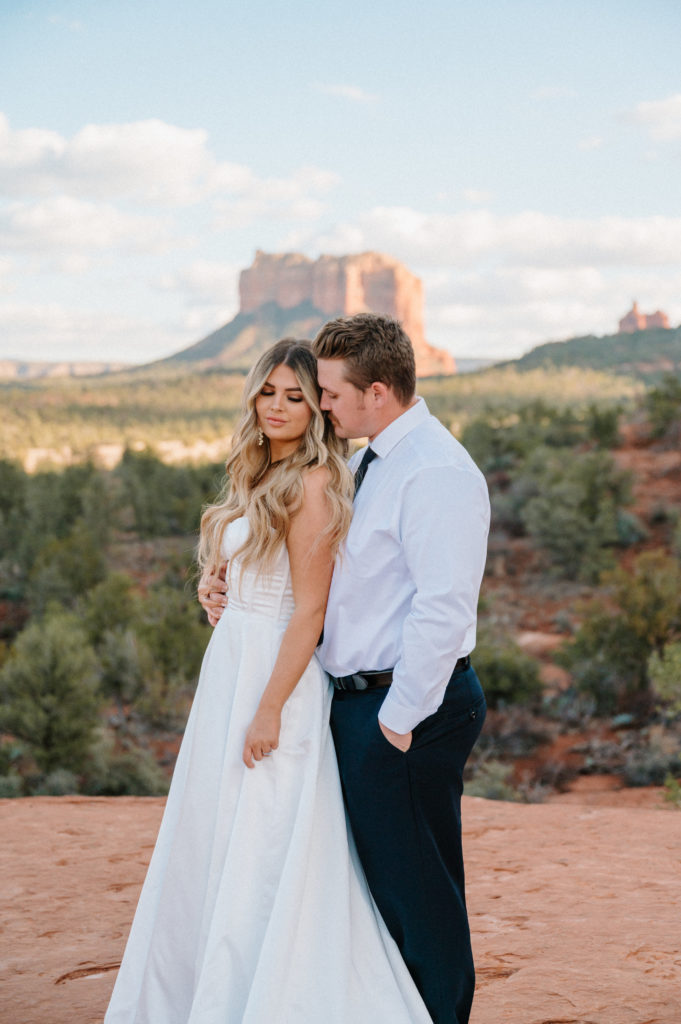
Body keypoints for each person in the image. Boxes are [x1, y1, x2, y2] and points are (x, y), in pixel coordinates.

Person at [104, 339, 432, 1024]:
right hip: (232, 666)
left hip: (274, 678)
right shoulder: (259, 473)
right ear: (252, 396)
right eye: (268, 392)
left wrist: (270, 709)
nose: (278, 407)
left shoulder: (313, 482)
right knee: (216, 828)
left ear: (317, 409)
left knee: (264, 838)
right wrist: (213, 583)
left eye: (296, 397)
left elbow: (307, 608)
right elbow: (251, 570)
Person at [312, 314, 490, 1024]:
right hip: (364, 704)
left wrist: (393, 723)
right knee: (388, 886)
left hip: (407, 709)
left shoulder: (437, 471)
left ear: (376, 391)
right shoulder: (372, 458)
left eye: (330, 393)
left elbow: (442, 610)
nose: (323, 405)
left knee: (420, 895)